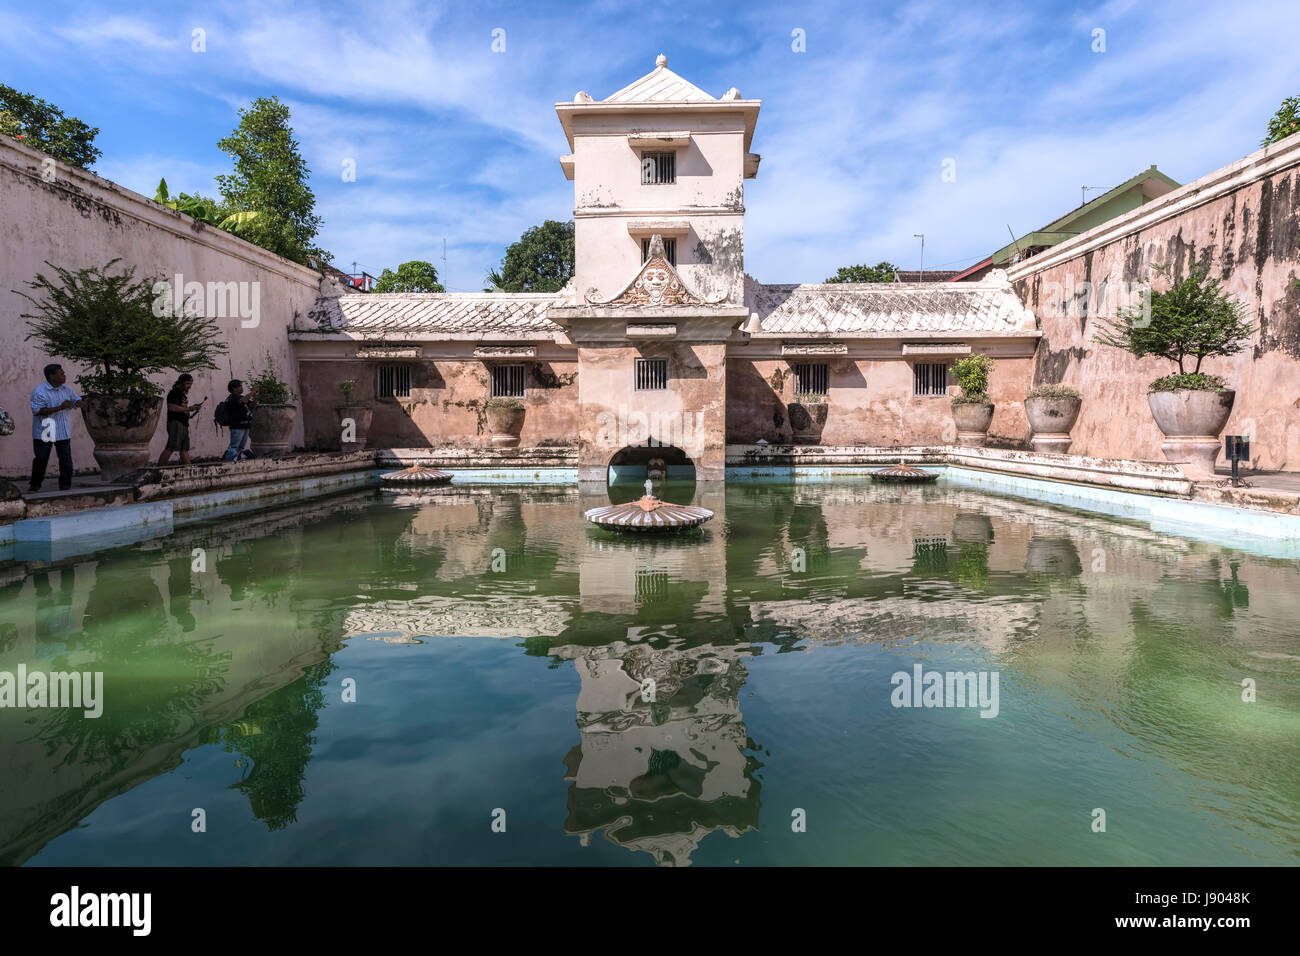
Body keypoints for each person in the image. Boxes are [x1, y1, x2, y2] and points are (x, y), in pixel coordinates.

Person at [29, 363, 82, 492]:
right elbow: (38, 411)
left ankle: (65, 486)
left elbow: (76, 401)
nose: (64, 376)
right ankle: (35, 485)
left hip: (62, 430)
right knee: (41, 459)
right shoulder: (40, 391)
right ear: (52, 376)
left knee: (65, 459)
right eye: (61, 373)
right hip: (45, 430)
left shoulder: (66, 389)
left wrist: (79, 403)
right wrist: (61, 407)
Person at [158, 373, 202, 466]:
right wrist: (189, 408)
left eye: (191, 384)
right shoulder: (175, 392)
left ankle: (189, 470)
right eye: (187, 383)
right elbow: (172, 407)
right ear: (181, 383)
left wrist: (193, 409)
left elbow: (183, 409)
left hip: (183, 424)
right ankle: (157, 470)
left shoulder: (182, 394)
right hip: (176, 423)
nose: (189, 386)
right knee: (171, 447)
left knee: (184, 449)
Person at [221, 379, 256, 461]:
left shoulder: (241, 397)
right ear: (234, 388)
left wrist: (256, 397)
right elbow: (244, 400)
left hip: (245, 425)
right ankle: (228, 462)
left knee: (241, 447)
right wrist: (253, 392)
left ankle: (237, 461)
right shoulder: (232, 397)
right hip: (237, 426)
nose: (241, 388)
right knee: (234, 446)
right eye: (240, 386)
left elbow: (252, 406)